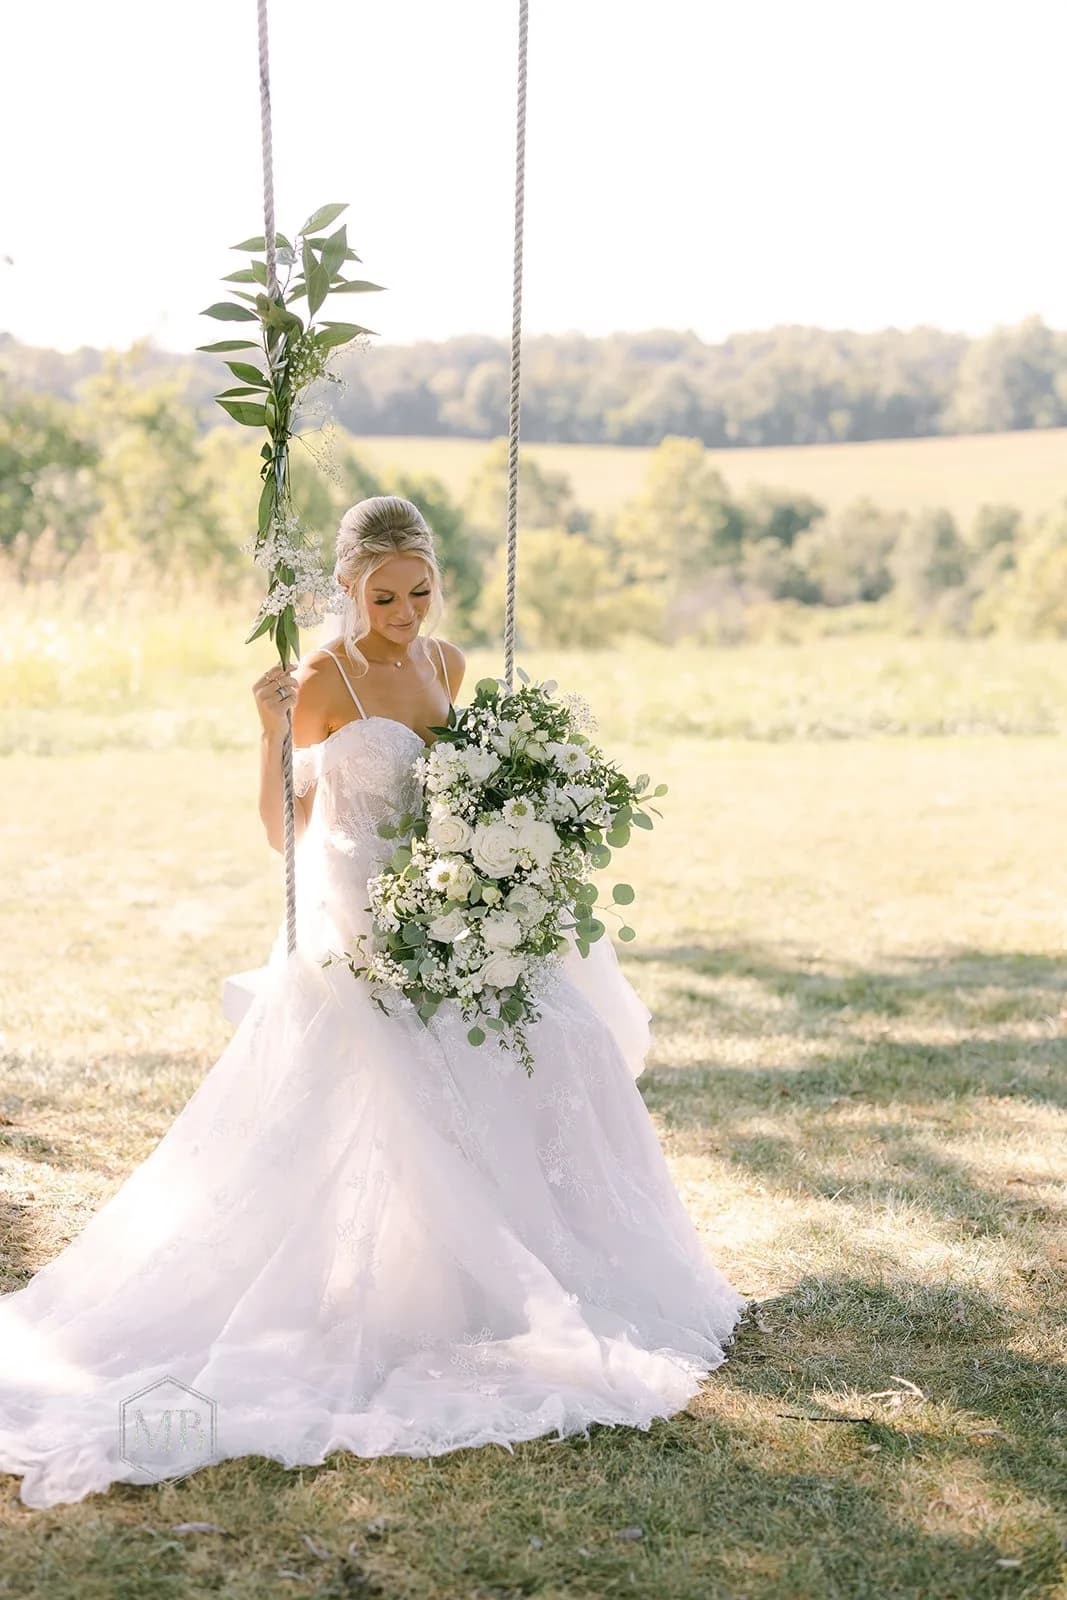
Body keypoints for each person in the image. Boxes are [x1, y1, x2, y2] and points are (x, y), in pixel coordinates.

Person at [0, 496, 746, 1510]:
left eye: (420, 591)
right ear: (346, 590)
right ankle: (437, 1293)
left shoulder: (445, 666)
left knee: (565, 1035)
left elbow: (469, 787)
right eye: (381, 594)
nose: (402, 611)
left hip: (450, 902)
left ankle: (553, 1270)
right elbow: (282, 833)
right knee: (403, 1078)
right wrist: (264, 733)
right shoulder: (318, 680)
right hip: (358, 913)